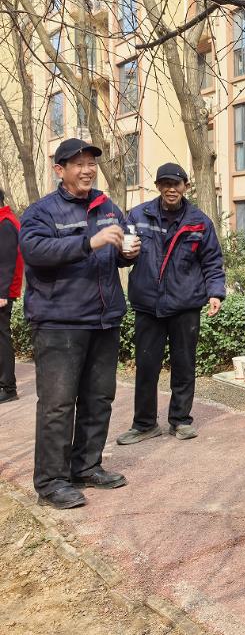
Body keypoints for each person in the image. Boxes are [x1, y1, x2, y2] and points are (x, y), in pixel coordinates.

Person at [19, 139, 141, 509]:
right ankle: (52, 483)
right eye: (78, 164)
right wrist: (89, 242)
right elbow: (35, 251)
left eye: (91, 163)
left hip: (104, 320)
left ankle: (86, 466)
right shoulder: (42, 211)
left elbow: (117, 251)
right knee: (58, 404)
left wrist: (128, 253)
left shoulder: (107, 207)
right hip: (59, 322)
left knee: (98, 398)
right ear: (60, 170)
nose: (87, 170)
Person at [116, 163, 225, 445]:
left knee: (184, 365)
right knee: (146, 366)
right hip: (148, 305)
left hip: (185, 304)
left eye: (176, 184)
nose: (171, 189)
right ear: (158, 187)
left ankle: (181, 420)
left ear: (185, 186)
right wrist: (125, 254)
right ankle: (144, 424)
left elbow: (212, 261)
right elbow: (122, 255)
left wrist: (215, 293)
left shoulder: (200, 222)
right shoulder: (138, 215)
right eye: (165, 184)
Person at [0, 187, 23, 405]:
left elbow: (7, 261)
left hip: (2, 293)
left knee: (2, 338)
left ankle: (8, 387)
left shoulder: (5, 223)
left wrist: (2, 294)